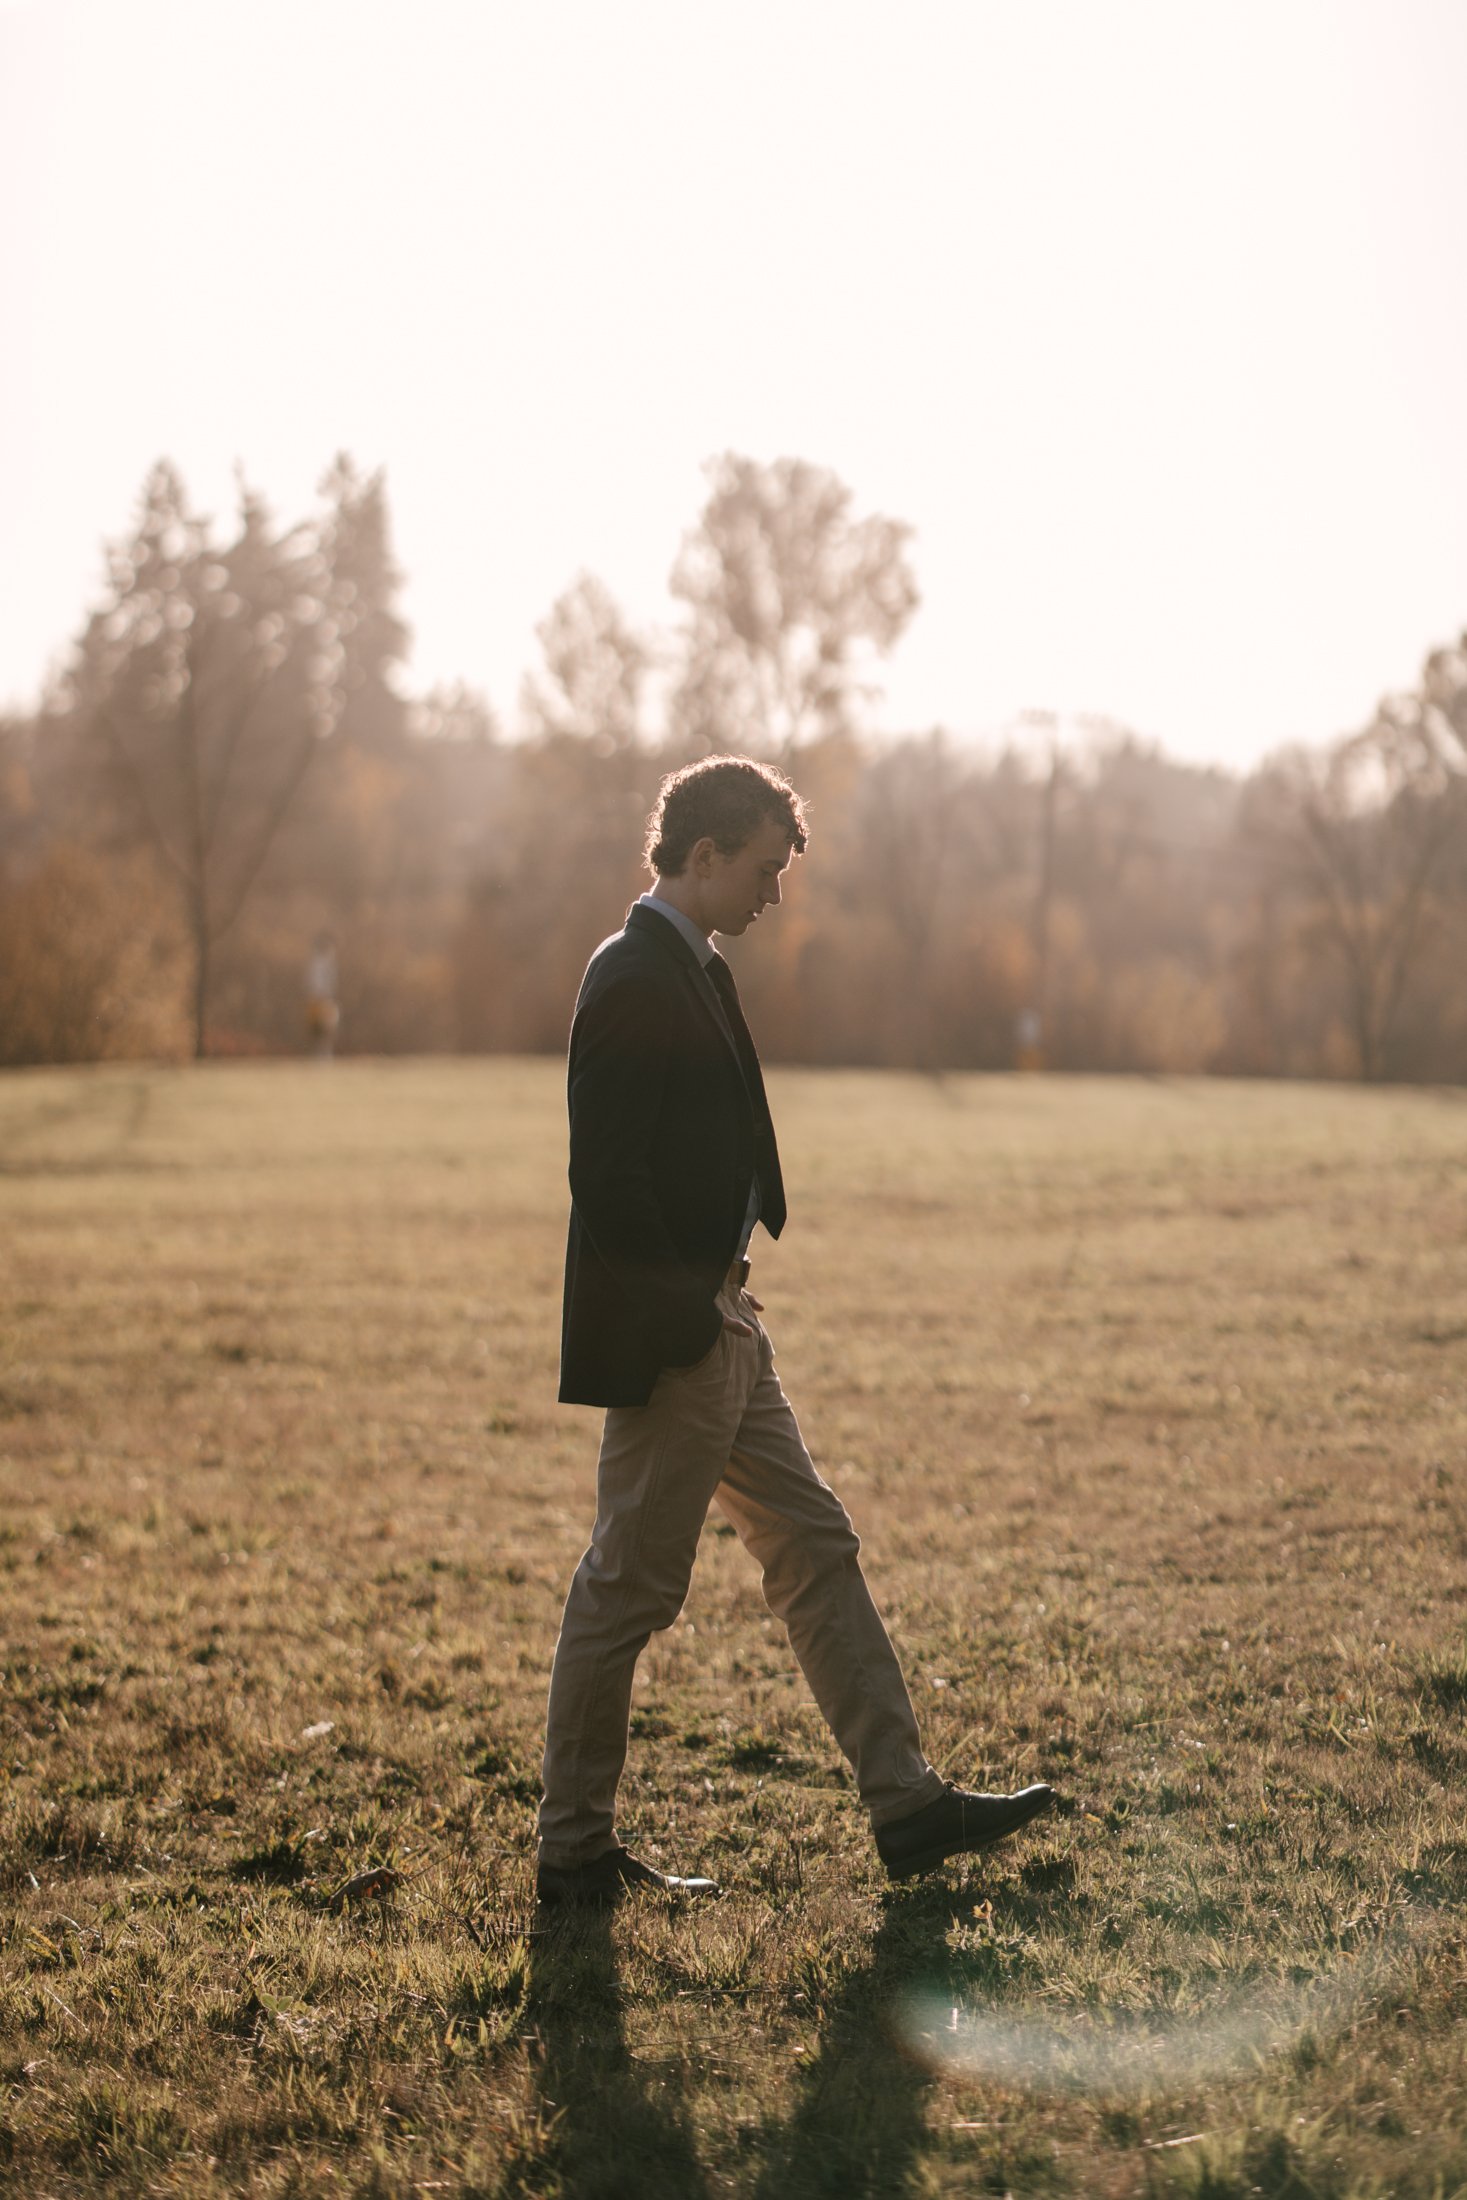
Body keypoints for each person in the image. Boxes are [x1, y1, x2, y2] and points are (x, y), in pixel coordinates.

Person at [537, 755, 1052, 1905]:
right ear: (704, 856)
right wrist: (688, 1315)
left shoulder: (695, 965)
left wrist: (729, 1287)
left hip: (726, 1317)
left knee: (814, 1544)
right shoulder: (630, 974)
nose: (776, 890)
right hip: (684, 1334)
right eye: (765, 867)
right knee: (627, 1587)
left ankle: (908, 1805)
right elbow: (605, 1178)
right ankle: (572, 1852)